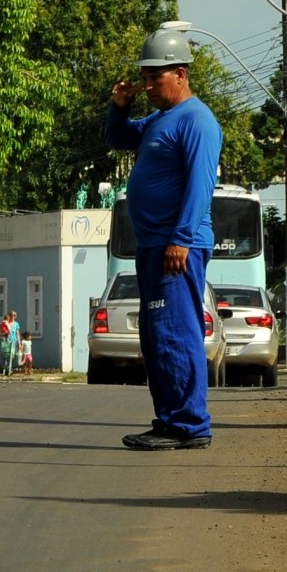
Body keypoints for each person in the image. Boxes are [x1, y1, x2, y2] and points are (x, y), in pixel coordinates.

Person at [106, 24, 222, 451]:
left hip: (178, 247)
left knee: (176, 333)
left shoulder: (197, 121)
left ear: (181, 74)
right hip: (154, 245)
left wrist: (182, 239)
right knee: (155, 336)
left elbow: (199, 186)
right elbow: (119, 138)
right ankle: (170, 420)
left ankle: (189, 425)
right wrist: (120, 107)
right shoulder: (160, 119)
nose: (149, 84)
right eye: (146, 76)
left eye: (156, 76)